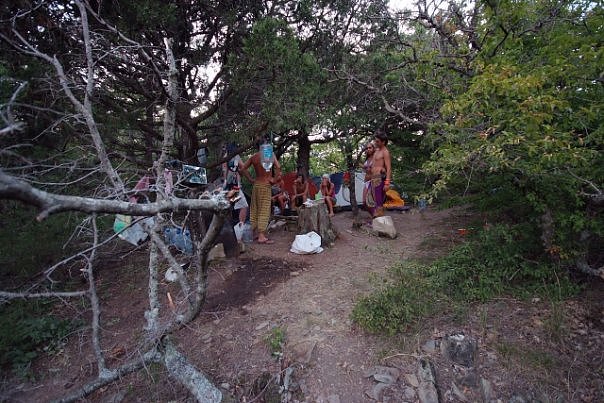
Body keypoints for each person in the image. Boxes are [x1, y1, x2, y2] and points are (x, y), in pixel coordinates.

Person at [240, 142, 281, 244]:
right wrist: (274, 180)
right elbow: (278, 167)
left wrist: (250, 179)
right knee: (264, 209)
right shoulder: (269, 154)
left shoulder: (254, 157)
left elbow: (243, 168)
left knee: (255, 208)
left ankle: (255, 233)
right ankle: (261, 236)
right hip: (265, 184)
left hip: (256, 185)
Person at [222, 144, 248, 226]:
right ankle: (240, 228)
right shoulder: (236, 156)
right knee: (243, 205)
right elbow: (243, 167)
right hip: (234, 187)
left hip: (229, 186)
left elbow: (224, 171)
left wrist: (225, 182)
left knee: (229, 205)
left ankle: (231, 227)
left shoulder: (225, 157)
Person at [368, 130, 391, 217]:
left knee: (379, 201)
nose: (375, 143)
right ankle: (376, 218)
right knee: (369, 200)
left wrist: (387, 183)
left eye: (377, 141)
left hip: (380, 178)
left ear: (383, 142)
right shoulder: (377, 150)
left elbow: (388, 168)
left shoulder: (385, 152)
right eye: (375, 141)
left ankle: (380, 220)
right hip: (373, 178)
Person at [362, 141, 375, 210]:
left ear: (373, 148)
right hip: (366, 181)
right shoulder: (367, 159)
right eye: (367, 148)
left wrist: (366, 167)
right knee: (364, 201)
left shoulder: (376, 158)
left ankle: (376, 214)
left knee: (372, 201)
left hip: (373, 181)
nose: (368, 149)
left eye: (370, 148)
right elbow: (365, 169)